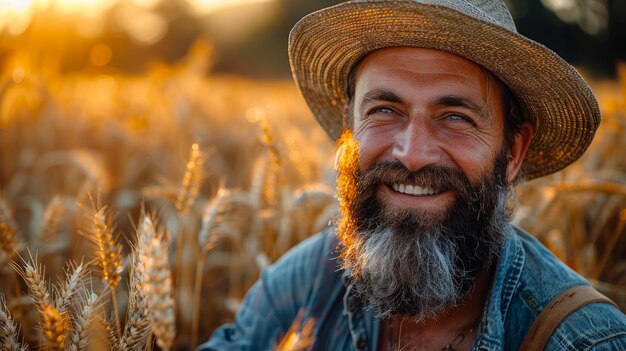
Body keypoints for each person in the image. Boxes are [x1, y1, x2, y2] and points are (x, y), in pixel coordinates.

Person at [198, 0, 626, 350]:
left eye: (455, 117)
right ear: (349, 129)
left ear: (512, 151)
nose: (412, 154)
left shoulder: (582, 340)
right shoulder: (305, 285)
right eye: (384, 110)